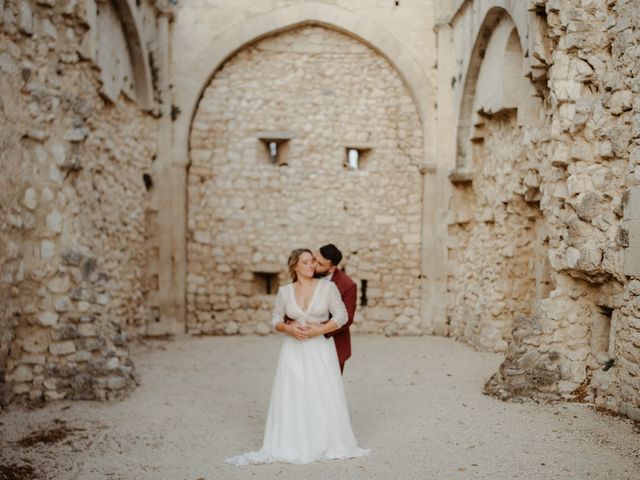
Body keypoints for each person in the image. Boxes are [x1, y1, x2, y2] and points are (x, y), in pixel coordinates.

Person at [225, 249, 369, 465]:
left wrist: (318, 330)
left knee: (320, 393)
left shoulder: (328, 288)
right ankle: (292, 441)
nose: (311, 265)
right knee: (293, 394)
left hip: (319, 349)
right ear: (294, 266)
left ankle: (324, 440)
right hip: (293, 349)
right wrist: (289, 329)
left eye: (313, 261)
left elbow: (342, 316)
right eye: (306, 262)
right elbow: (275, 320)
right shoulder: (284, 292)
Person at [285, 244, 357, 374]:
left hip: (333, 344)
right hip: (301, 344)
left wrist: (317, 329)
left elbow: (348, 319)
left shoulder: (348, 285)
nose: (313, 265)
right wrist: (290, 323)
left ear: (331, 268)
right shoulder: (305, 273)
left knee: (329, 391)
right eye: (314, 259)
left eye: (320, 264)